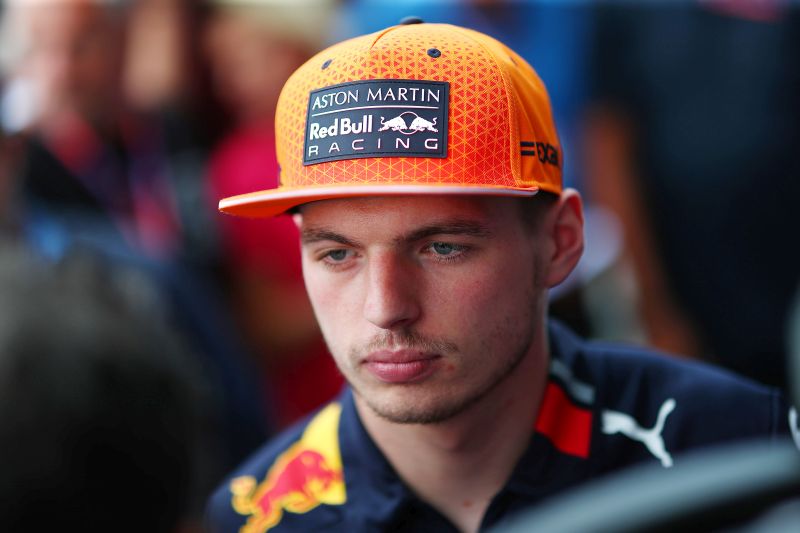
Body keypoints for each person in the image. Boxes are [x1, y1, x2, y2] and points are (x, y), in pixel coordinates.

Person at [206, 21, 798, 533]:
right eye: (338, 255)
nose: (384, 307)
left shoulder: (737, 445)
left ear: (560, 241)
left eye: (443, 247)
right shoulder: (256, 518)